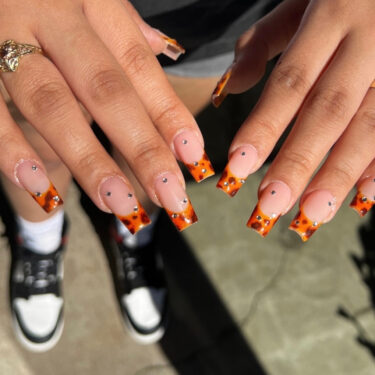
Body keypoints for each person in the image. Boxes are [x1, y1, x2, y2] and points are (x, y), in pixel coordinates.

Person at [0, 0, 374, 351]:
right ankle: (40, 235)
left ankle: (133, 231)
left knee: (155, 144)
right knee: (45, 141)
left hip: (217, 19)